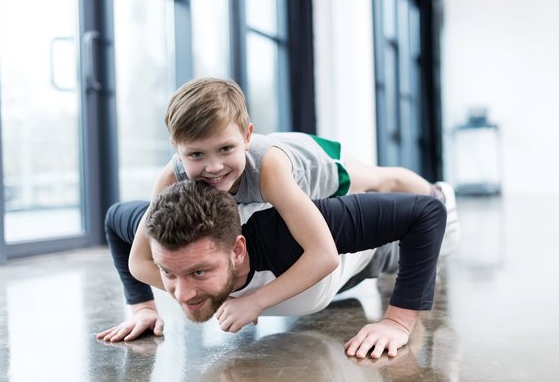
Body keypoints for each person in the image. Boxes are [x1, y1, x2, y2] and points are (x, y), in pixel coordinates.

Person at [128, 77, 459, 333]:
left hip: (315, 166)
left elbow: (324, 254)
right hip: (282, 181)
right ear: (177, 149)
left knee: (384, 181)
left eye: (225, 149)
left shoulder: (269, 171)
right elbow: (139, 262)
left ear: (246, 137)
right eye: (196, 155)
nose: (213, 167)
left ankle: (435, 193)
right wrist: (211, 294)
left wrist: (254, 301)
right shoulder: (171, 180)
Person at [98, 180, 446, 359]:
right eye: (169, 273)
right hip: (310, 296)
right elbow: (115, 219)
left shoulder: (286, 230)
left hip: (370, 257)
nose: (182, 295)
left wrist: (399, 320)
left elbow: (426, 214)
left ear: (237, 250)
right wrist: (142, 305)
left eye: (199, 272)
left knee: (441, 221)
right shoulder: (161, 236)